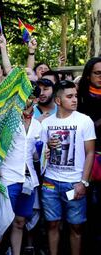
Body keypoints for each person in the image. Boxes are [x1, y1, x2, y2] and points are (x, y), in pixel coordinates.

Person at [41, 80, 96, 255]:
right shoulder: (45, 123)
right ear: (58, 101)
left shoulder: (84, 121)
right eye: (69, 96)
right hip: (50, 182)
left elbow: (90, 153)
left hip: (74, 183)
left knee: (76, 226)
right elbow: (38, 154)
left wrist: (83, 182)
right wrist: (46, 146)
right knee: (52, 224)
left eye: (75, 96)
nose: (75, 100)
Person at [0, 88, 42, 255]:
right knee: (0, 223)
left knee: (20, 221)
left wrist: (43, 153)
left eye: (30, 97)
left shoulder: (38, 125)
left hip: (28, 179)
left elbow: (35, 154)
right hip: (7, 177)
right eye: (23, 96)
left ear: (36, 100)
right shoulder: (7, 120)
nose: (26, 100)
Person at [77, 57, 101, 253]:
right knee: (90, 209)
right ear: (88, 75)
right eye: (97, 73)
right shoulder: (79, 97)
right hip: (87, 161)